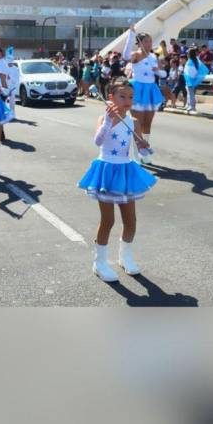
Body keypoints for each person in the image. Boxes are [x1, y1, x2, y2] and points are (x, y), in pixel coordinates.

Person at [78, 77, 157, 282]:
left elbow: (140, 148)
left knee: (131, 220)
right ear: (111, 98)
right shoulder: (104, 118)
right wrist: (108, 122)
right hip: (107, 170)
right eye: (122, 96)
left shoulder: (134, 122)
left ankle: (125, 257)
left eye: (130, 97)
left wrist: (144, 147)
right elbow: (97, 141)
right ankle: (100, 263)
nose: (127, 100)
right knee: (108, 220)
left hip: (126, 169)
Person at [123, 25, 165, 164]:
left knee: (147, 124)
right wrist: (131, 34)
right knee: (137, 124)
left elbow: (161, 72)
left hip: (151, 90)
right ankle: (135, 155)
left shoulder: (153, 56)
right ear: (140, 42)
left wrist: (159, 70)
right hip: (138, 90)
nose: (149, 43)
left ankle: (145, 154)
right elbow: (125, 56)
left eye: (150, 41)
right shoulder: (136, 55)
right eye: (146, 41)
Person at [183, 47, 208, 112]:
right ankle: (189, 105)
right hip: (194, 80)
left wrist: (190, 78)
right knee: (190, 93)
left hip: (190, 80)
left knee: (190, 94)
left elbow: (189, 71)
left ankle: (192, 106)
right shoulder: (196, 60)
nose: (187, 54)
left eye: (188, 53)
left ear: (190, 54)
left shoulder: (190, 61)